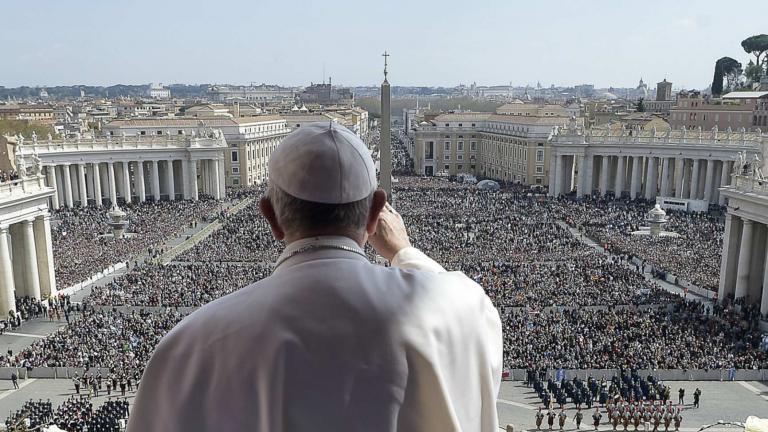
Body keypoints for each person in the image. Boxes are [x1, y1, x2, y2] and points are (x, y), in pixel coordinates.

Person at [127, 122, 503, 432]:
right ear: (375, 214)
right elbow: (464, 301)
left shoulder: (188, 347)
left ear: (270, 216)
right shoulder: (461, 310)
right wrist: (403, 252)